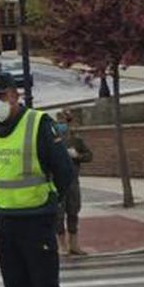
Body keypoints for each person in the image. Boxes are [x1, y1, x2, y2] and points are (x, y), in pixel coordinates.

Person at [0, 73, 75, 287]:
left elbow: (64, 170)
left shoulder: (38, 123)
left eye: (0, 96)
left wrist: (50, 200)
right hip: (4, 220)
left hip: (36, 220)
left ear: (15, 95)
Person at [52, 107, 94, 257]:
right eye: (59, 121)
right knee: (58, 214)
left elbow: (89, 156)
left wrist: (76, 156)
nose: (62, 124)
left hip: (73, 181)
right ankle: (61, 246)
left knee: (73, 211)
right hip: (57, 182)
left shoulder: (76, 139)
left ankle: (74, 244)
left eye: (65, 121)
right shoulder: (52, 139)